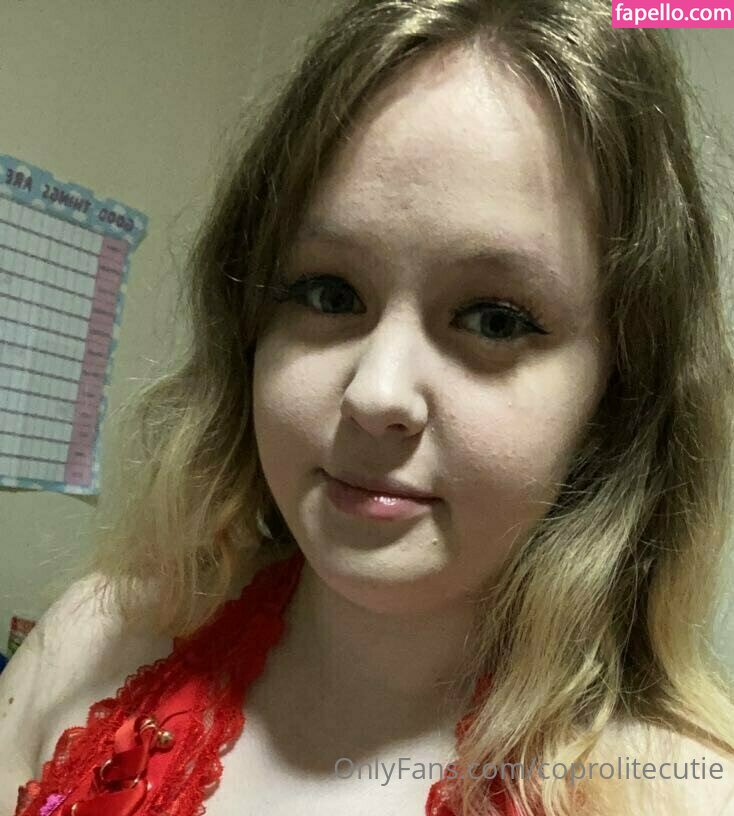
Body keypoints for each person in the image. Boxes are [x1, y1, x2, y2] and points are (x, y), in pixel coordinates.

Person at [2, 0, 734, 814]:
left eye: (495, 319)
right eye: (328, 292)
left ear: (619, 394)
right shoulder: (87, 645)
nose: (375, 393)